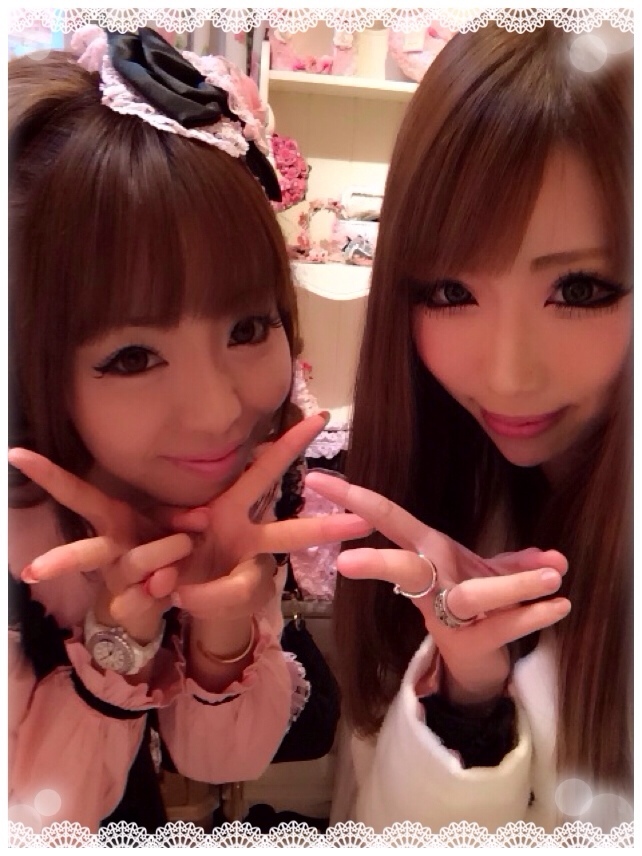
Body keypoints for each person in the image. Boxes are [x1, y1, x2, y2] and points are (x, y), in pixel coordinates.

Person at [7, 26, 369, 832]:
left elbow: (219, 763)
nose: (217, 413)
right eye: (132, 356)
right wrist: (116, 641)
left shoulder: (229, 479)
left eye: (247, 328)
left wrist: (223, 628)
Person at [305, 22, 633, 834]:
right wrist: (467, 697)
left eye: (581, 289)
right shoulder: (437, 479)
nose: (507, 375)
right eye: (451, 292)